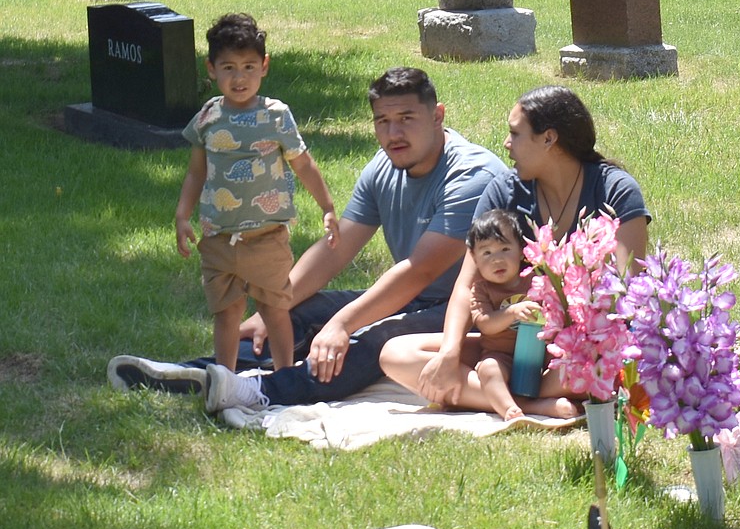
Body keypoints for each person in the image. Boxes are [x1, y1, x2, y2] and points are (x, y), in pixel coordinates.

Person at [107, 67, 508, 415]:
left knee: (371, 336)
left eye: (406, 118)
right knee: (296, 312)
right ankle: (201, 373)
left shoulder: (471, 176)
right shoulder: (384, 166)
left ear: (437, 116)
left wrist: (342, 323)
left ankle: (262, 392)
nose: (393, 133)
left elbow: (421, 270)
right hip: (417, 296)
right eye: (382, 121)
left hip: (472, 310)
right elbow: (337, 248)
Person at [380, 85, 651, 418]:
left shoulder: (615, 190)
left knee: (601, 368)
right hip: (508, 345)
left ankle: (498, 397)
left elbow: (626, 292)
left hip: (582, 349)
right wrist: (450, 354)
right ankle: (531, 405)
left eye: (515, 134)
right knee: (396, 354)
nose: (507, 145)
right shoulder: (506, 191)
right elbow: (467, 284)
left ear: (549, 138)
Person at [174, 12, 339, 372]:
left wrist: (326, 206)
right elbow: (195, 172)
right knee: (226, 312)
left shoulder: (276, 115)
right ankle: (225, 377)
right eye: (229, 67)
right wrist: (183, 215)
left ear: (264, 66)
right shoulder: (207, 117)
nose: (239, 77)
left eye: (249, 67)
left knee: (276, 310)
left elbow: (304, 164)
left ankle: (285, 376)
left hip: (267, 238)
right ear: (211, 69)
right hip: (218, 237)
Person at [464, 208, 542, 420]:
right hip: (501, 356)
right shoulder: (481, 289)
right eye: (486, 253)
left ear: (521, 251)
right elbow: (485, 324)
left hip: (540, 356)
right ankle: (509, 409)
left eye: (505, 249)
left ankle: (544, 403)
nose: (497, 260)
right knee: (488, 370)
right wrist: (512, 312)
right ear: (475, 258)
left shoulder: (535, 280)